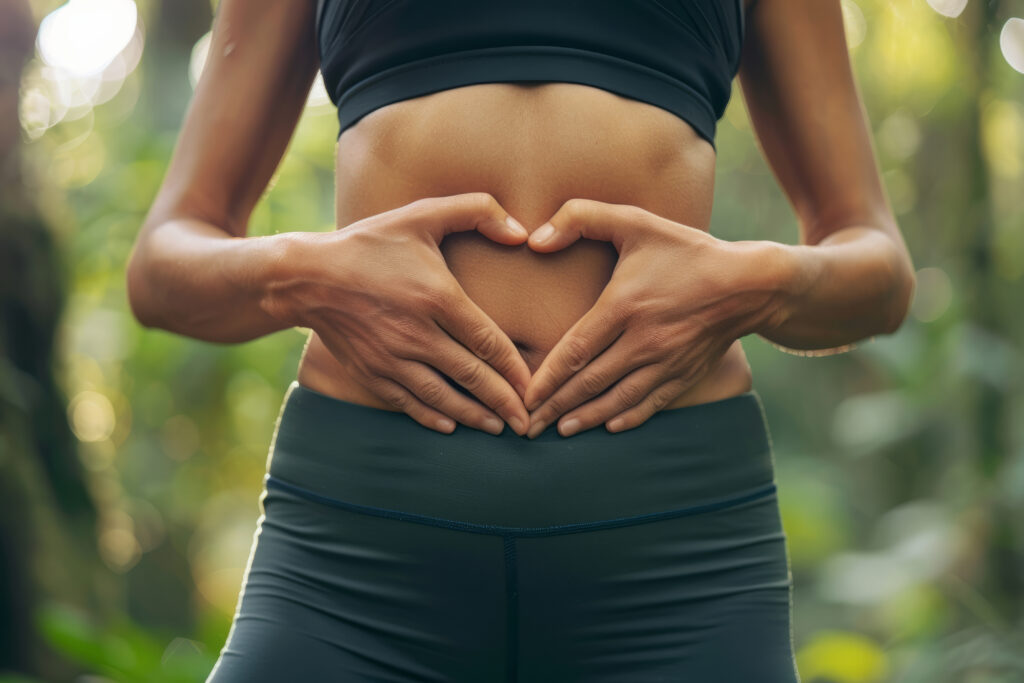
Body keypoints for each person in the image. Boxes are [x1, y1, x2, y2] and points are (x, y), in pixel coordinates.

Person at [125, 0, 916, 680]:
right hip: (356, 551)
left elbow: (877, 269)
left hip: (677, 557)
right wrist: (306, 274)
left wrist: (751, 283)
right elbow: (163, 265)